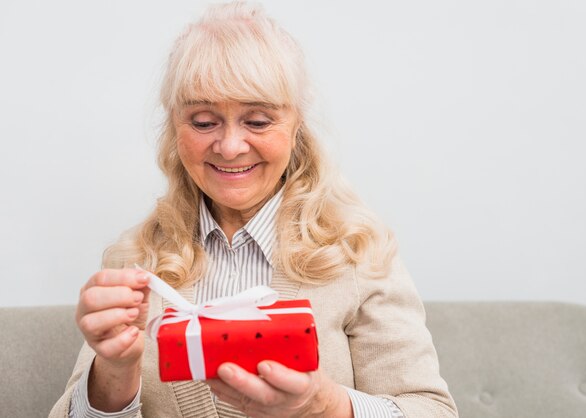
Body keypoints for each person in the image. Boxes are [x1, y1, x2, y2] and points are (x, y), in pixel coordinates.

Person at [51, 2, 458, 417]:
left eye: (258, 122)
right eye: (204, 121)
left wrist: (326, 406)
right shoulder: (138, 264)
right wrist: (115, 373)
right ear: (175, 125)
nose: (230, 147)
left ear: (296, 123)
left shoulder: (359, 254)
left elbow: (434, 410)